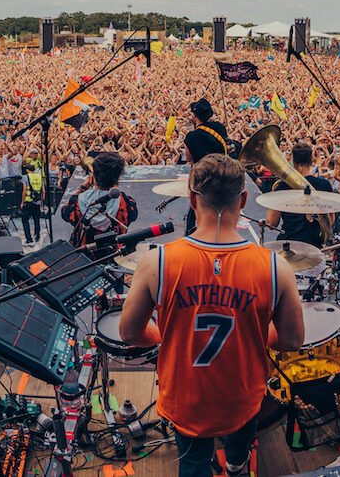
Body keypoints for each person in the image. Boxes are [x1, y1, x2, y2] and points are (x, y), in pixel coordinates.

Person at [118, 154, 304, 477]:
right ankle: (235, 466)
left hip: (186, 399)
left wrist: (166, 334)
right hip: (243, 396)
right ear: (243, 200)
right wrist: (256, 332)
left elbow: (129, 333)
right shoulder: (276, 268)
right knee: (240, 445)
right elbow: (292, 340)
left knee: (193, 464)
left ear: (192, 200)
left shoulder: (156, 263)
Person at [264, 142, 333, 275]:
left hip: (286, 250)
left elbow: (271, 223)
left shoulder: (281, 187)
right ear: (312, 161)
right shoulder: (324, 185)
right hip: (313, 251)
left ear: (293, 162)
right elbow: (330, 220)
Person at [60, 151, 139, 247]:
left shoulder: (76, 202)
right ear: (118, 177)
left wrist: (82, 188)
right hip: (115, 253)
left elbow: (64, 212)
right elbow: (133, 216)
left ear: (93, 174)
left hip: (85, 254)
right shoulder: (127, 203)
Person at [181, 98, 230, 234]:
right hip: (221, 174)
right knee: (218, 206)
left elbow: (188, 158)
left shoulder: (192, 136)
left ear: (195, 116)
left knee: (196, 207)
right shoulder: (220, 128)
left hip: (202, 177)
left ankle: (191, 233)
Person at [20, 160, 46, 246]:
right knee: (36, 220)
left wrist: (22, 202)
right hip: (37, 202)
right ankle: (37, 236)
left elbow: (24, 191)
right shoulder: (39, 177)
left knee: (25, 220)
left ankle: (29, 239)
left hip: (28, 201)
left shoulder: (25, 177)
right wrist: (42, 201)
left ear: (27, 170)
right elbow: (43, 191)